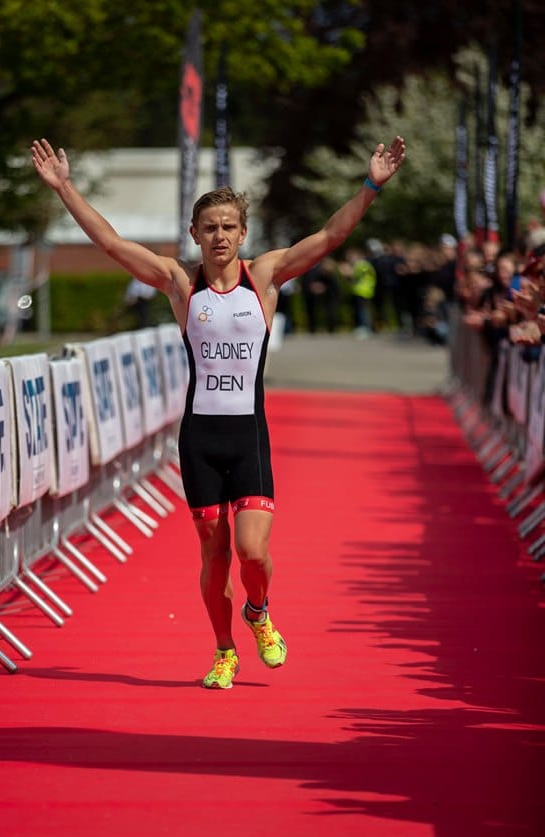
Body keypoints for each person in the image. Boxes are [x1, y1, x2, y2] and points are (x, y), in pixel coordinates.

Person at [31, 134, 406, 689]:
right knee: (215, 554)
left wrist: (372, 185)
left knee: (254, 553)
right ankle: (224, 649)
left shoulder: (267, 276)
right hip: (200, 437)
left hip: (248, 433)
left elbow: (331, 235)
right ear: (195, 235)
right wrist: (65, 188)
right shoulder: (182, 284)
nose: (220, 235)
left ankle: (259, 612)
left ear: (243, 232)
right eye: (210, 227)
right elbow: (111, 244)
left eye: (229, 226)